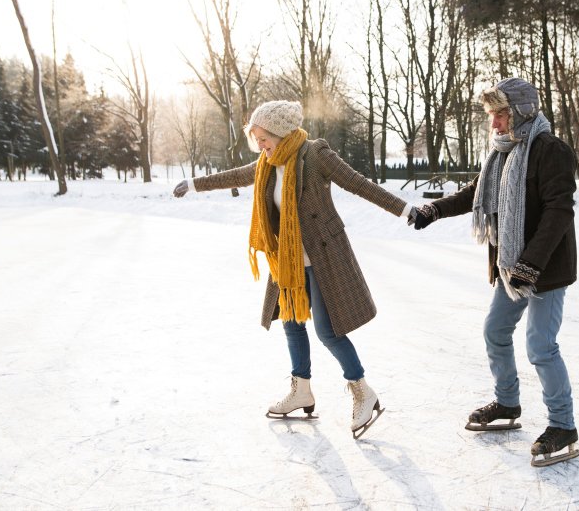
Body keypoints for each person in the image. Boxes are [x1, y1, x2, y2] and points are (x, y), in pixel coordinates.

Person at [173, 100, 412, 439]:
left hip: (323, 256)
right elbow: (236, 175)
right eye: (255, 140)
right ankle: (301, 390)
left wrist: (404, 210)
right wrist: (194, 183)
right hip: (287, 260)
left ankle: (362, 391)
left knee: (328, 331)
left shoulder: (315, 155)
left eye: (262, 138)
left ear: (278, 132)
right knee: (290, 322)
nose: (260, 146)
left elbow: (358, 183)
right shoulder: (266, 165)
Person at [409, 78, 579, 467]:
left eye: (499, 115)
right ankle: (507, 403)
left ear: (519, 112)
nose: (494, 125)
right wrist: (433, 210)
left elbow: (558, 213)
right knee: (495, 331)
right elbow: (476, 193)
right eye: (491, 116)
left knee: (540, 346)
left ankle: (563, 425)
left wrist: (530, 265)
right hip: (510, 267)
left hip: (545, 269)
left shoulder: (550, 150)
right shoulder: (502, 153)